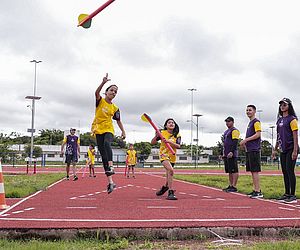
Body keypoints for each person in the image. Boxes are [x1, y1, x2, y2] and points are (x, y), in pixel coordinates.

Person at [91, 73, 126, 194]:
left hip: (109, 129)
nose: (114, 93)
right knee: (103, 155)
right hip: (97, 129)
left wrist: (123, 131)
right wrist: (103, 82)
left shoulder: (115, 108)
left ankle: (111, 166)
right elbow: (96, 93)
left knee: (107, 144)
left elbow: (118, 120)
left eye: (116, 92)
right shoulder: (100, 101)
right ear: (106, 92)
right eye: (112, 90)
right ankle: (111, 182)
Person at [272, 98, 299, 203]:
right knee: (284, 171)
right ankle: (287, 193)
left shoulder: (292, 119)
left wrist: (295, 150)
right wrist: (275, 149)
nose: (282, 106)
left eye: (285, 104)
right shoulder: (279, 121)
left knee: (290, 170)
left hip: (291, 147)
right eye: (281, 105)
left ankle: (292, 195)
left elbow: (295, 135)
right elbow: (278, 135)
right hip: (283, 149)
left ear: (289, 106)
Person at [151, 118, 181, 200]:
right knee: (171, 170)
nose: (171, 124)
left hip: (172, 156)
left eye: (173, 123)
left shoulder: (177, 135)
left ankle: (166, 187)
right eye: (169, 122)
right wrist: (156, 136)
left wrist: (169, 142)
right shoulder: (162, 133)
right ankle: (170, 192)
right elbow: (152, 142)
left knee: (169, 173)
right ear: (166, 125)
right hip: (163, 155)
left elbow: (178, 146)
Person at [240, 105, 263, 198]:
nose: (248, 112)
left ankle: (258, 191)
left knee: (255, 171)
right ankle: (255, 189)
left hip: (254, 149)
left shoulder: (256, 122)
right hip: (249, 149)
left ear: (254, 111)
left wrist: (246, 140)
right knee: (252, 171)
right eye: (247, 110)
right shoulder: (250, 123)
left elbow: (258, 134)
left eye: (250, 110)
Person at [222, 116, 240, 192]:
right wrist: (223, 152)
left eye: (229, 121)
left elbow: (235, 142)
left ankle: (234, 186)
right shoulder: (226, 132)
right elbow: (224, 143)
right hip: (226, 154)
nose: (227, 123)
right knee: (229, 171)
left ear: (233, 122)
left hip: (232, 154)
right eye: (226, 121)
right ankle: (230, 185)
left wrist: (232, 152)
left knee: (234, 170)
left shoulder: (234, 131)